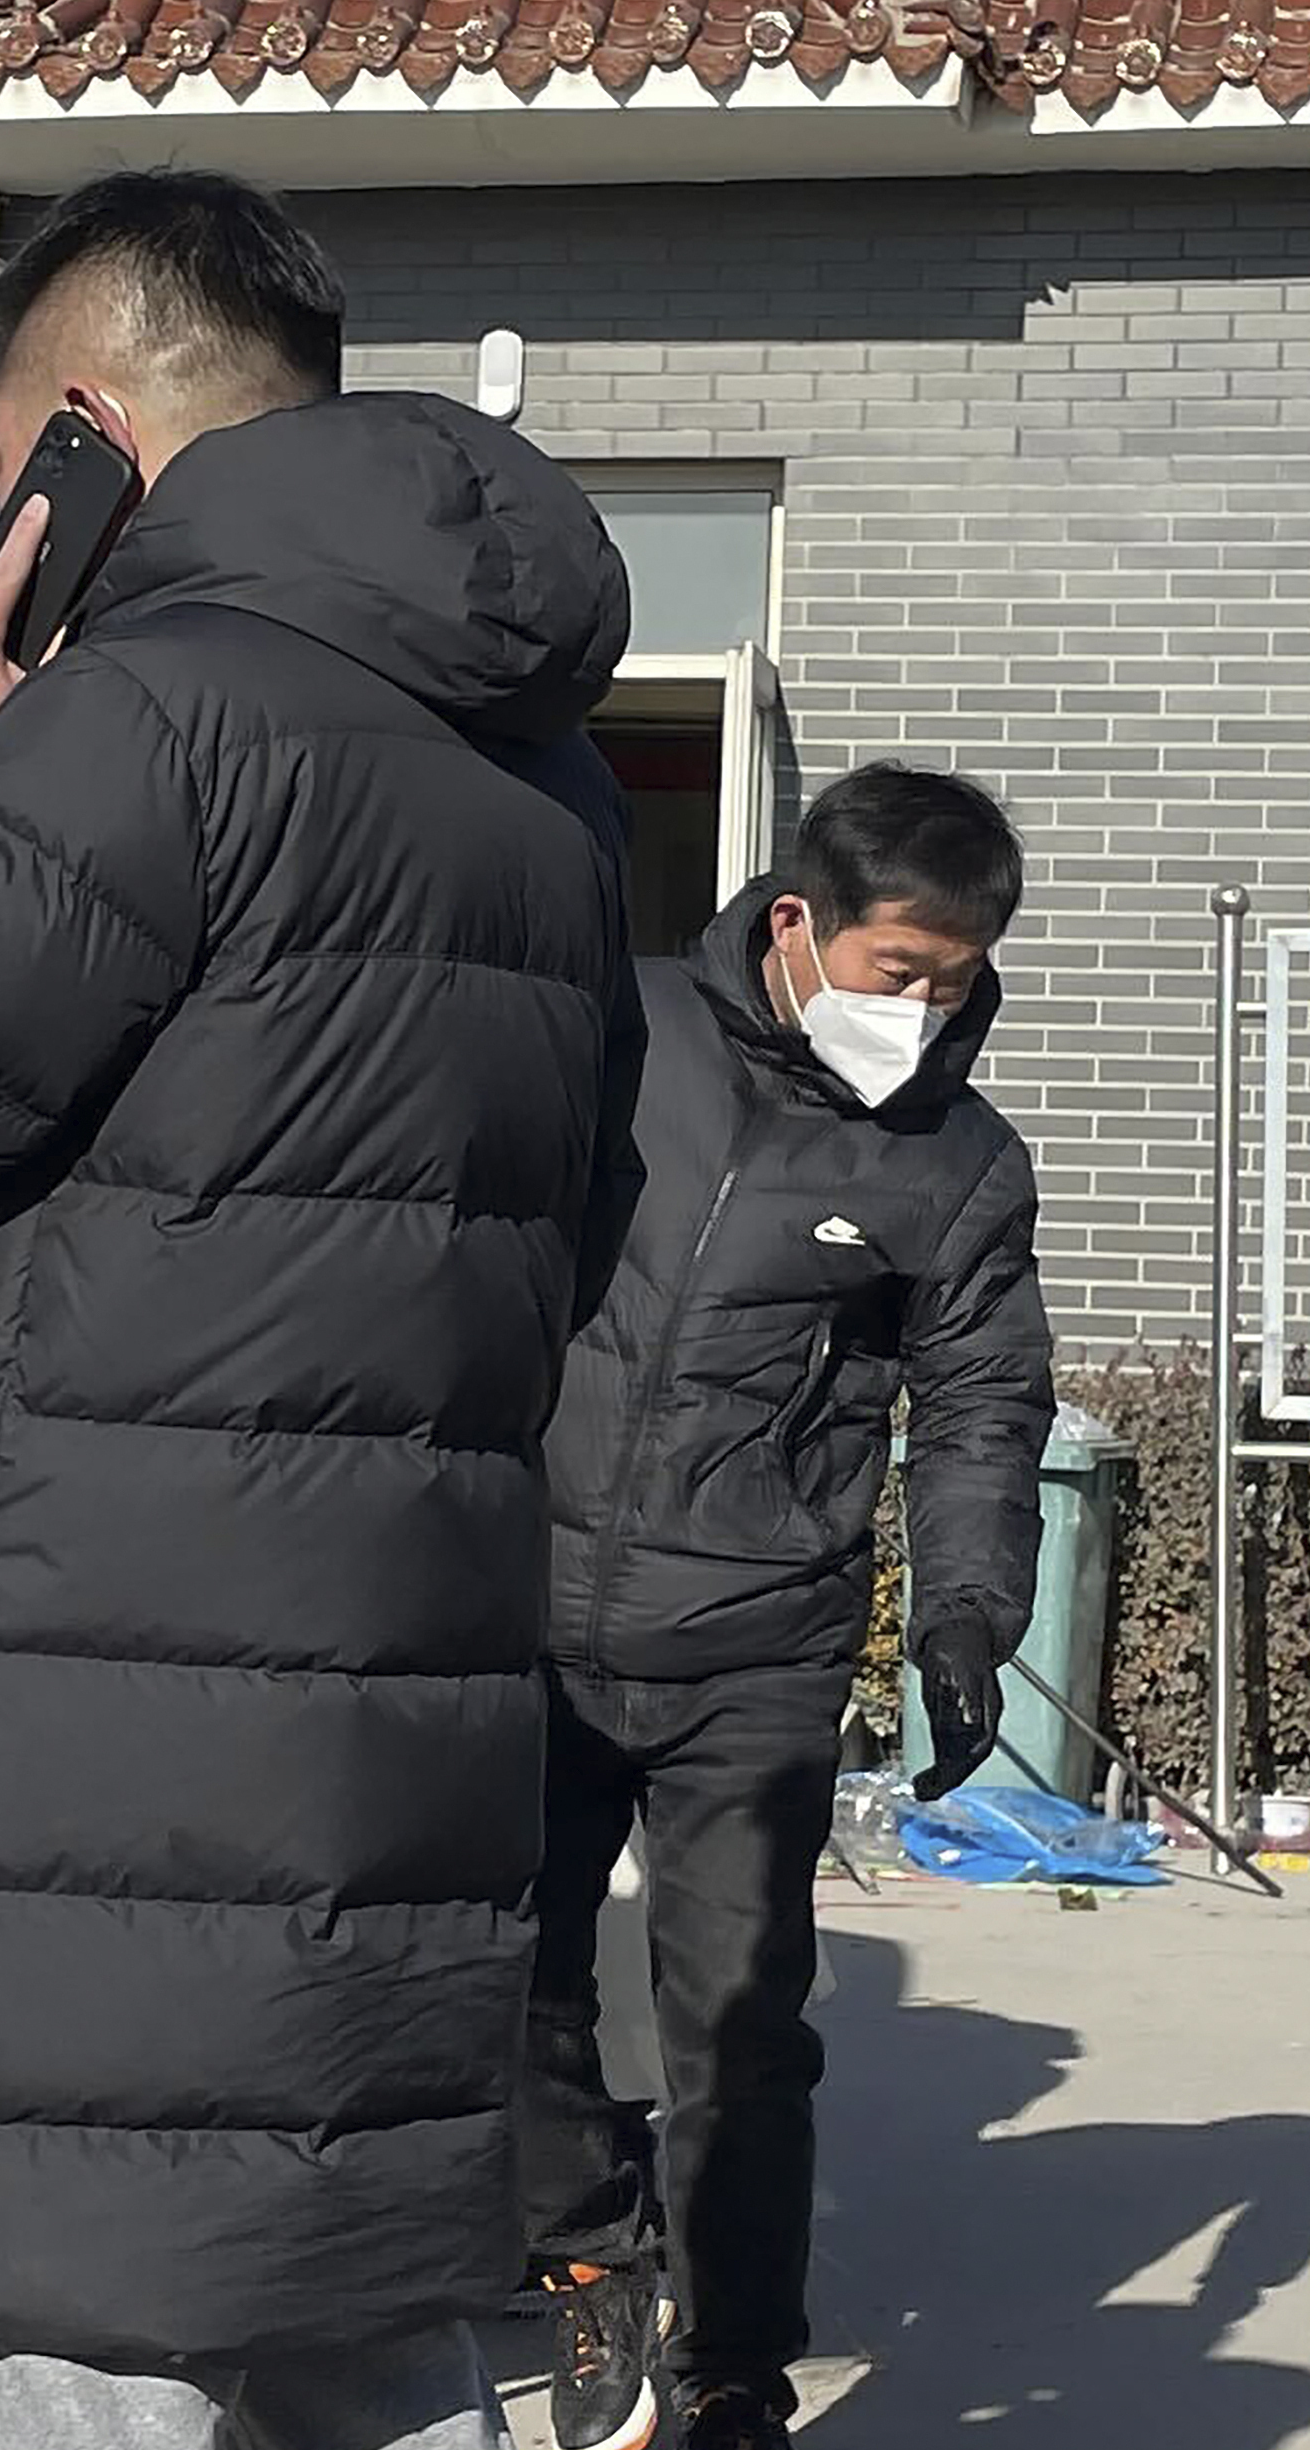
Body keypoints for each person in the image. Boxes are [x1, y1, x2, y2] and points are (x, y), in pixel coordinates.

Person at [0, 171, 639, 2448]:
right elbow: (582, 1224)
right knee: (351, 2340)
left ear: (74, 437)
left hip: (87, 1815)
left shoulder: (142, 712)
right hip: (396, 1814)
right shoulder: (539, 788)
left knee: (66, 2339)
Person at [522, 768, 1051, 2450]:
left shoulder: (957, 1168)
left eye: (957, 978)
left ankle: (735, 2367)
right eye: (902, 968)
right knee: (501, 1975)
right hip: (527, 1600)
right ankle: (590, 2260)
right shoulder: (624, 1031)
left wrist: (968, 1608)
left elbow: (981, 1406)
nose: (926, 1006)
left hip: (756, 1636)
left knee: (742, 2025)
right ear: (799, 921)